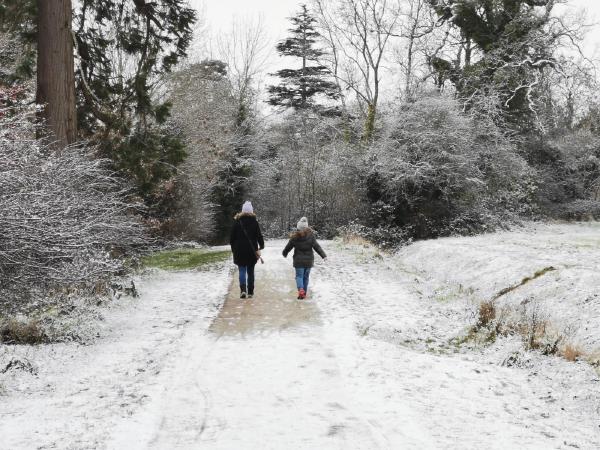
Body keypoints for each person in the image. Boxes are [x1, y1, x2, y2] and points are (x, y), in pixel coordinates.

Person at [282, 217, 327, 300]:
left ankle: (301, 290)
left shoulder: (294, 237)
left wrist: (284, 253)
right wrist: (323, 255)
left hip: (298, 261)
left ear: (298, 227)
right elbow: (317, 247)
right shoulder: (311, 236)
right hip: (309, 261)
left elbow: (288, 247)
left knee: (299, 276)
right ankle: (304, 294)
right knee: (305, 277)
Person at [230, 201, 264, 299]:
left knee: (241, 270)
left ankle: (243, 290)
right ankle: (250, 292)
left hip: (239, 250)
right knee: (250, 271)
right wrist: (261, 245)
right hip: (251, 250)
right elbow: (259, 236)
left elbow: (232, 238)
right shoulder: (254, 222)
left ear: (242, 211)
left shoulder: (237, 222)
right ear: (251, 211)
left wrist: (234, 249)